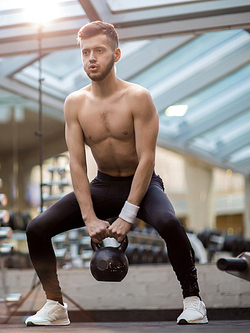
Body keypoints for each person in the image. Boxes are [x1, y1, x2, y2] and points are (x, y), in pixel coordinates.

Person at [24, 21, 208, 326]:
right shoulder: (75, 103)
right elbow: (77, 164)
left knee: (169, 223)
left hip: (143, 183)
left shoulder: (138, 97)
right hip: (103, 184)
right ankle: (55, 305)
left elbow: (148, 158)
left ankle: (193, 300)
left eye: (99, 50)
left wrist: (129, 214)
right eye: (85, 52)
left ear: (116, 54)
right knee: (36, 229)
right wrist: (89, 217)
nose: (91, 58)